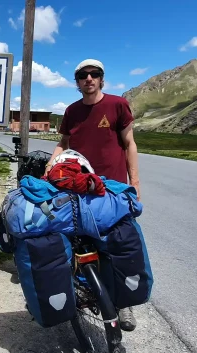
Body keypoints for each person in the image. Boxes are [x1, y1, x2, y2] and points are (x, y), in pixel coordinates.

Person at [46, 59, 141, 332]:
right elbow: (63, 144)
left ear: (101, 79)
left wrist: (134, 182)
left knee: (117, 245)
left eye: (94, 74)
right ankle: (85, 288)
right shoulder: (71, 111)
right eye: (83, 75)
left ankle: (123, 304)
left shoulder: (116, 105)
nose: (89, 78)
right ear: (77, 82)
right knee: (81, 241)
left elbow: (129, 143)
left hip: (111, 187)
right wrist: (48, 169)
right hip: (77, 186)